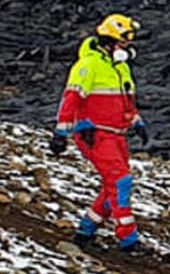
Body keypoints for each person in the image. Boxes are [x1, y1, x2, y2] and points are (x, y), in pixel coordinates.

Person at [49, 15, 149, 251]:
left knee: (111, 186)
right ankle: (128, 239)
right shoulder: (88, 65)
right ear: (108, 42)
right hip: (94, 134)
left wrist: (136, 120)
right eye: (122, 43)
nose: (127, 48)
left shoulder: (121, 68)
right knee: (121, 181)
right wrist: (61, 133)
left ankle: (85, 231)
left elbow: (126, 99)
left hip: (117, 135)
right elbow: (71, 99)